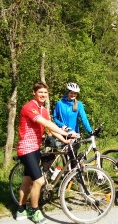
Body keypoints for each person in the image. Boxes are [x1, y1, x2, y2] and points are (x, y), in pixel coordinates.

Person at [16, 82, 77, 223]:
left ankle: (20, 210)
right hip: (26, 148)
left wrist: (64, 139)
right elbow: (46, 124)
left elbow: (50, 130)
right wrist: (65, 132)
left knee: (27, 180)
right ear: (34, 93)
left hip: (36, 148)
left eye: (45, 93)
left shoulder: (43, 109)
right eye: (40, 92)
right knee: (39, 181)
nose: (43, 95)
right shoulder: (29, 107)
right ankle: (34, 210)